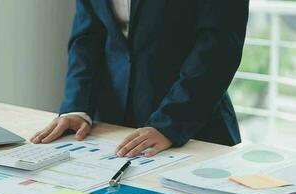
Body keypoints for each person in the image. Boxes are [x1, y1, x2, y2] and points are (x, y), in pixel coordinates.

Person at [31, 0, 249, 157]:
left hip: (191, 126)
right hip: (110, 130)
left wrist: (169, 125)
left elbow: (218, 51)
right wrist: (77, 107)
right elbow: (87, 39)